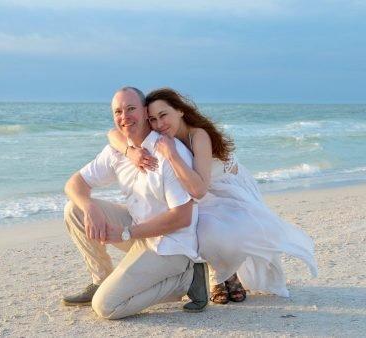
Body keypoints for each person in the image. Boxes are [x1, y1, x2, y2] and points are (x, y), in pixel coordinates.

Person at [107, 88, 318, 304]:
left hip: (227, 188)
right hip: (199, 189)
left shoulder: (198, 135)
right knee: (201, 229)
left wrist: (171, 154)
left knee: (226, 234)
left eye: (164, 115)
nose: (159, 124)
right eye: (152, 119)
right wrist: (130, 152)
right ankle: (218, 277)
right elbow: (113, 134)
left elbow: (199, 189)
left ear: (180, 111)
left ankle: (225, 274)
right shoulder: (163, 134)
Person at [62, 87, 209, 320]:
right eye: (118, 111)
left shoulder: (169, 152)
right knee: (75, 209)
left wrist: (126, 233)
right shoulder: (118, 151)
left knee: (106, 307)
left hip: (170, 245)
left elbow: (183, 217)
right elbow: (73, 184)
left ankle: (186, 278)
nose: (124, 116)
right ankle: (100, 280)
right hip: (139, 231)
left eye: (131, 109)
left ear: (144, 111)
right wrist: (89, 207)